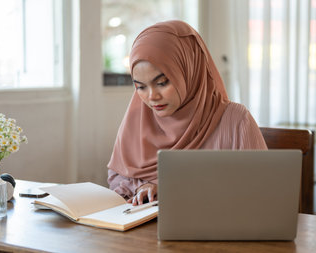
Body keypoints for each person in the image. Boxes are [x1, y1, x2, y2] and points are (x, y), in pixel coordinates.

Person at [107, 20, 267, 206]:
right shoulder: (136, 119)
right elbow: (117, 180)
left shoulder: (236, 120)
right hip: (147, 231)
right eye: (140, 87)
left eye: (162, 83)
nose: (152, 97)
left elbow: (260, 190)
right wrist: (144, 188)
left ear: (189, 70)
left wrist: (168, 186)